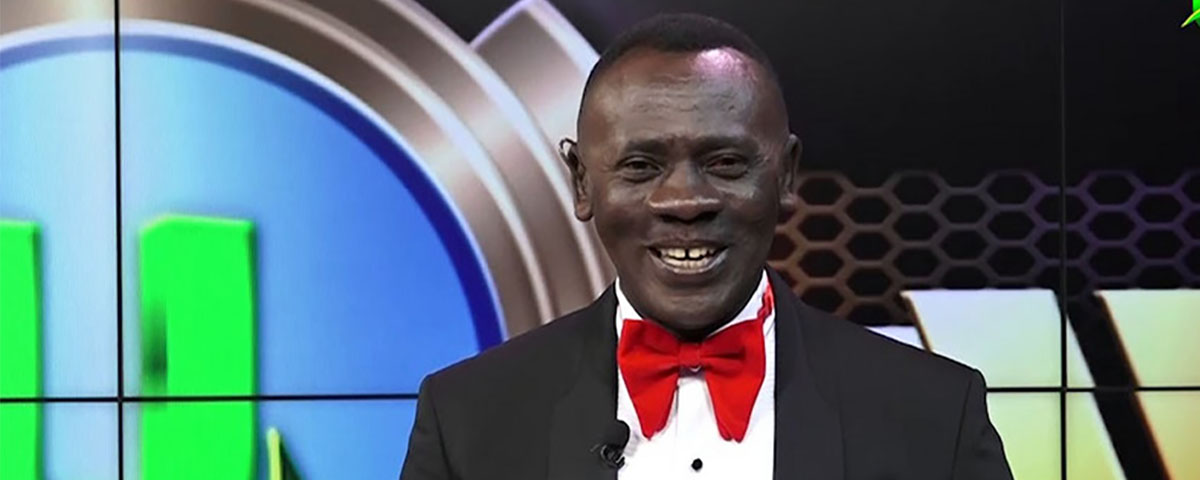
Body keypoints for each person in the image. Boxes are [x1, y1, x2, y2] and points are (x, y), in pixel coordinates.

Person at [401, 13, 1012, 480]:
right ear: (582, 183)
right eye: (640, 166)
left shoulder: (934, 417)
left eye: (724, 163)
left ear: (786, 176)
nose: (685, 201)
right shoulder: (467, 421)